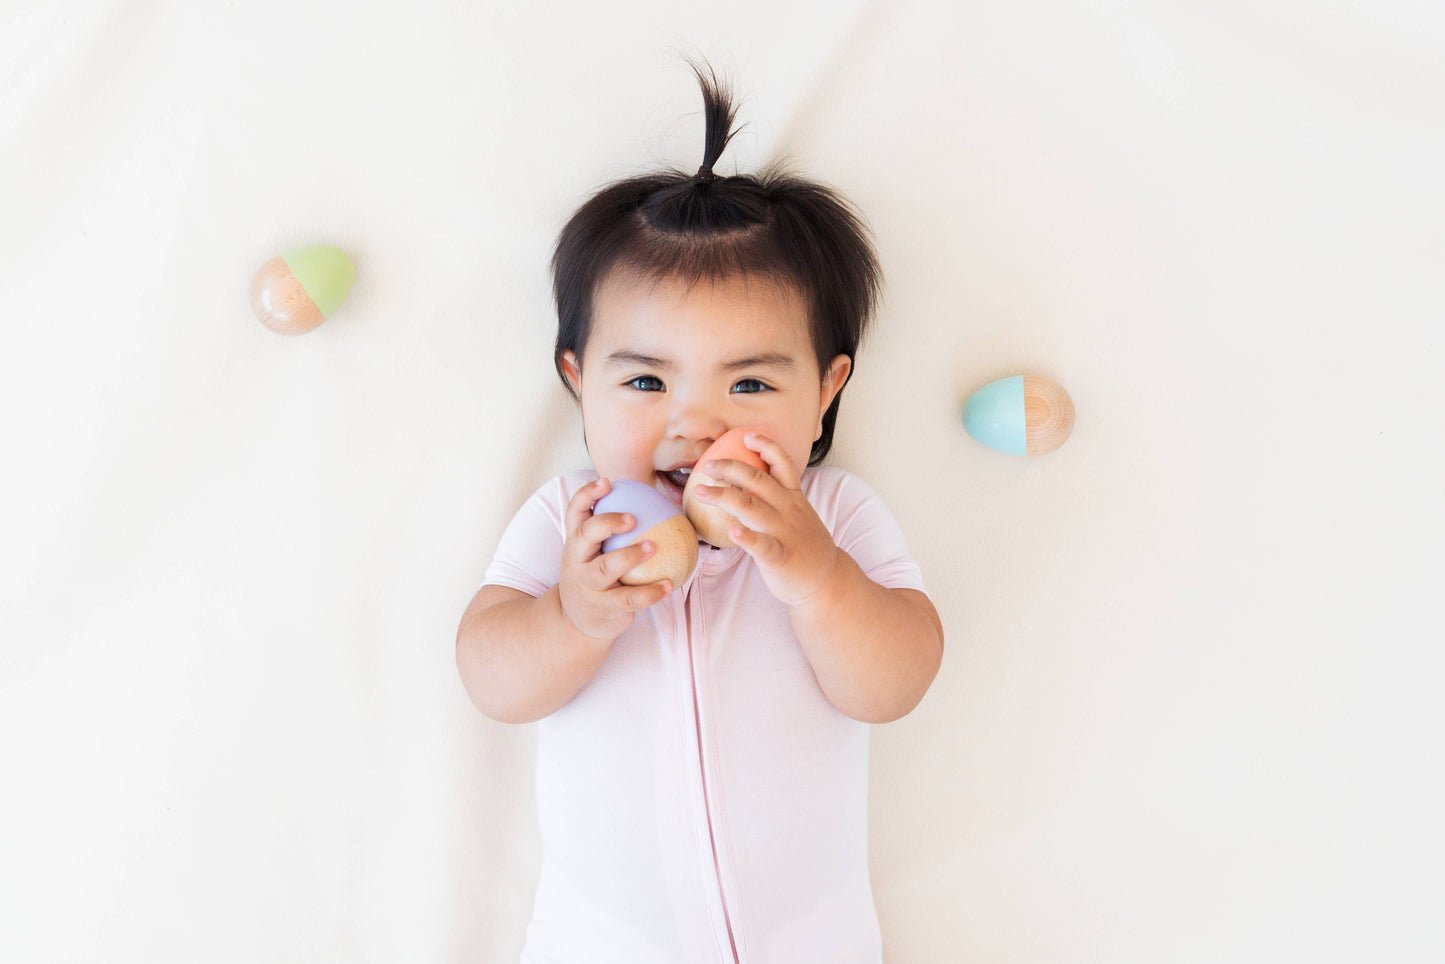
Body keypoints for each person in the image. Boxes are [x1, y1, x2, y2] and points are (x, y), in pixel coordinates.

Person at [455, 60, 944, 963]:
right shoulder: (574, 520)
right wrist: (572, 615)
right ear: (578, 381)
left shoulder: (834, 514)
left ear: (825, 392)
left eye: (750, 384)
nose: (696, 423)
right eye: (646, 382)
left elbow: (893, 684)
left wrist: (816, 577)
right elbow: (492, 681)